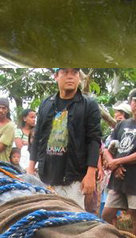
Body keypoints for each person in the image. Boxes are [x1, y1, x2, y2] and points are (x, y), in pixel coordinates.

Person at [28, 69, 101, 209]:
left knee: (71, 223)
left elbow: (94, 139)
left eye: (74, 73)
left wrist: (91, 173)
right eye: (65, 72)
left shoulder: (89, 105)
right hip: (45, 176)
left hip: (74, 179)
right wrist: (31, 168)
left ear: (79, 77)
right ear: (56, 76)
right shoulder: (46, 104)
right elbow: (38, 137)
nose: (70, 77)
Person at [102, 87, 136, 237]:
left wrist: (117, 162)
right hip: (119, 177)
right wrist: (114, 165)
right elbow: (107, 148)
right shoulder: (122, 124)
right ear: (131, 102)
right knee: (107, 214)